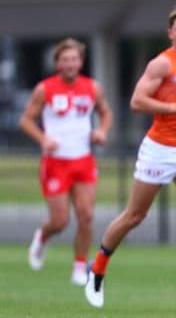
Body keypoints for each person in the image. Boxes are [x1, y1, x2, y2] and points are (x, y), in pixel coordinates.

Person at [85, 5, 176, 312]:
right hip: (158, 149)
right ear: (171, 34)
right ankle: (96, 270)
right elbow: (137, 101)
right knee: (135, 216)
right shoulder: (162, 64)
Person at [20, 38, 112, 286]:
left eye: (74, 59)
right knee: (60, 221)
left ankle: (80, 266)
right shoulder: (45, 89)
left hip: (83, 159)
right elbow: (26, 120)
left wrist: (102, 131)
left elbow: (105, 112)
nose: (70, 64)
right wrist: (43, 139)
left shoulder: (92, 87)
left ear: (81, 62)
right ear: (57, 63)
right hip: (56, 162)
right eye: (65, 59)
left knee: (86, 215)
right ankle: (42, 236)